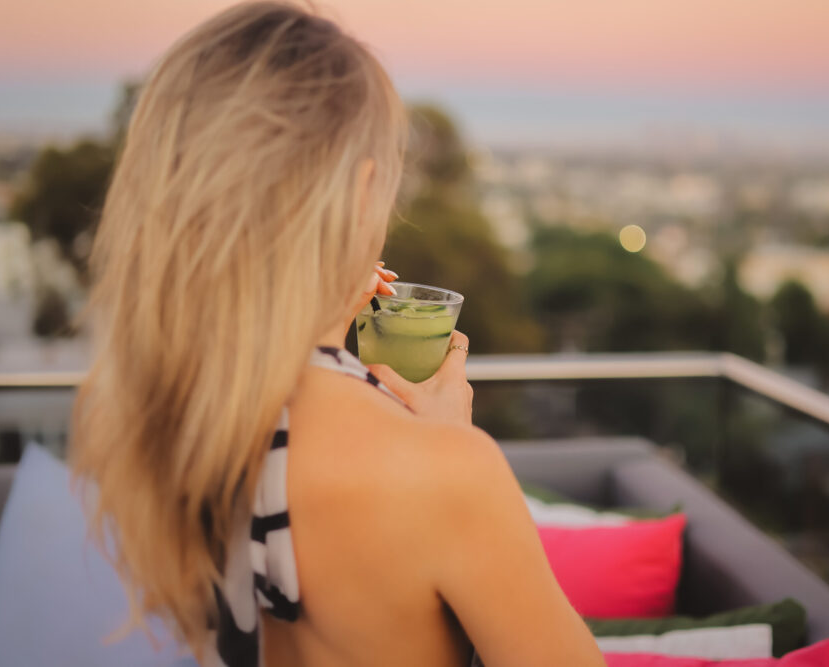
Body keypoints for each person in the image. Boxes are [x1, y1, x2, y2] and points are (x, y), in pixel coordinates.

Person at [71, 2, 606, 666]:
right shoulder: (447, 474)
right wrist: (448, 441)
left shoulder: (155, 423)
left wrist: (324, 301)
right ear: (359, 194)